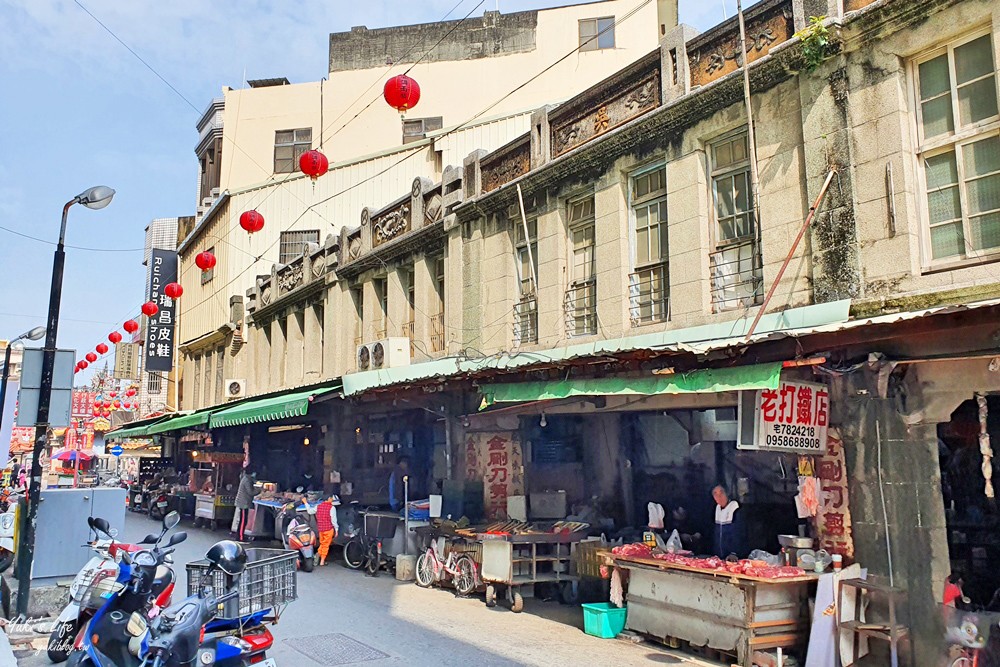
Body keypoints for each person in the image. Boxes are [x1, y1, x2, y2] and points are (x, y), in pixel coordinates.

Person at [712, 485, 744, 559]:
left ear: (727, 494)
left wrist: (734, 553)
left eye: (721, 493)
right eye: (715, 494)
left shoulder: (736, 508)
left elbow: (739, 533)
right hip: (719, 556)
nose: (718, 496)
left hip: (733, 557)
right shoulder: (716, 508)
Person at [235, 468, 260, 541]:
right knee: (243, 521)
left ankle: (240, 535)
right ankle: (240, 537)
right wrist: (259, 490)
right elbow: (251, 492)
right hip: (243, 503)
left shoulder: (247, 479)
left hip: (244, 502)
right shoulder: (247, 480)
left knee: (243, 520)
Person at [315, 495, 340, 566]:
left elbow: (310, 511)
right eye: (331, 498)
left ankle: (318, 554)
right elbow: (333, 520)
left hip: (320, 529)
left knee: (322, 543)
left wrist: (306, 503)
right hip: (328, 529)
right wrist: (336, 529)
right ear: (329, 498)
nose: (332, 500)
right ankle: (322, 561)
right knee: (326, 545)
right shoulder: (332, 508)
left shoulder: (318, 506)